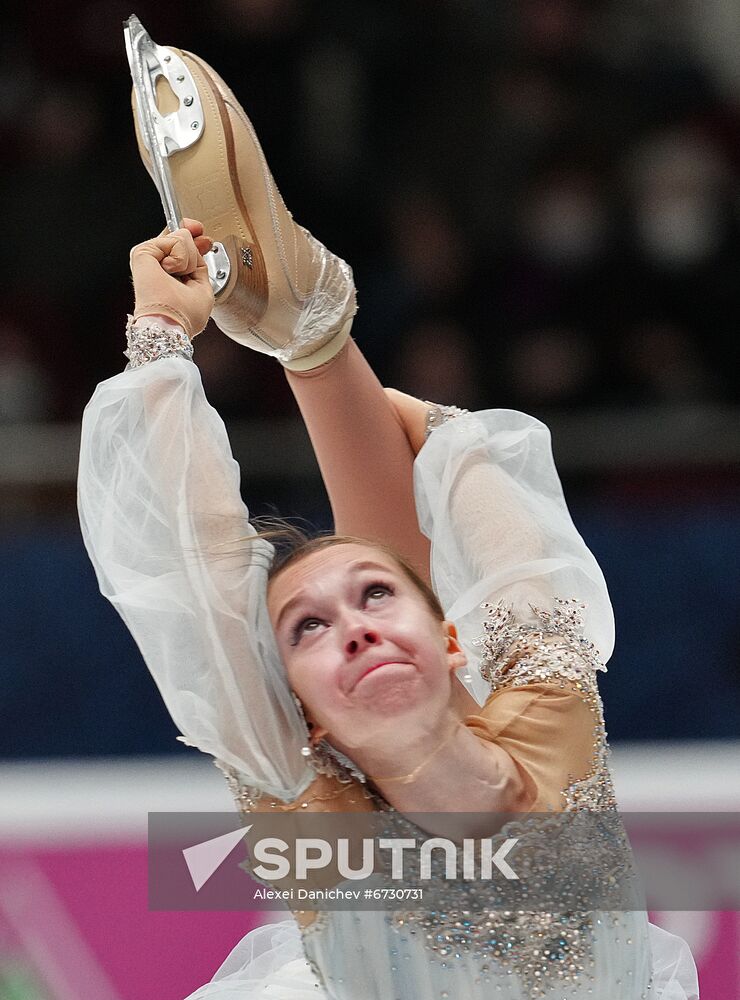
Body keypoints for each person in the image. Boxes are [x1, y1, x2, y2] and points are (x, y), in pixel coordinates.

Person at [77, 32, 699, 1000]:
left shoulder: (545, 712)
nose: (354, 624)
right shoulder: (307, 803)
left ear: (452, 637)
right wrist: (161, 341)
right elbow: (189, 566)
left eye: (371, 598)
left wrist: (317, 344)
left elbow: (471, 483)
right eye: (307, 630)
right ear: (303, 717)